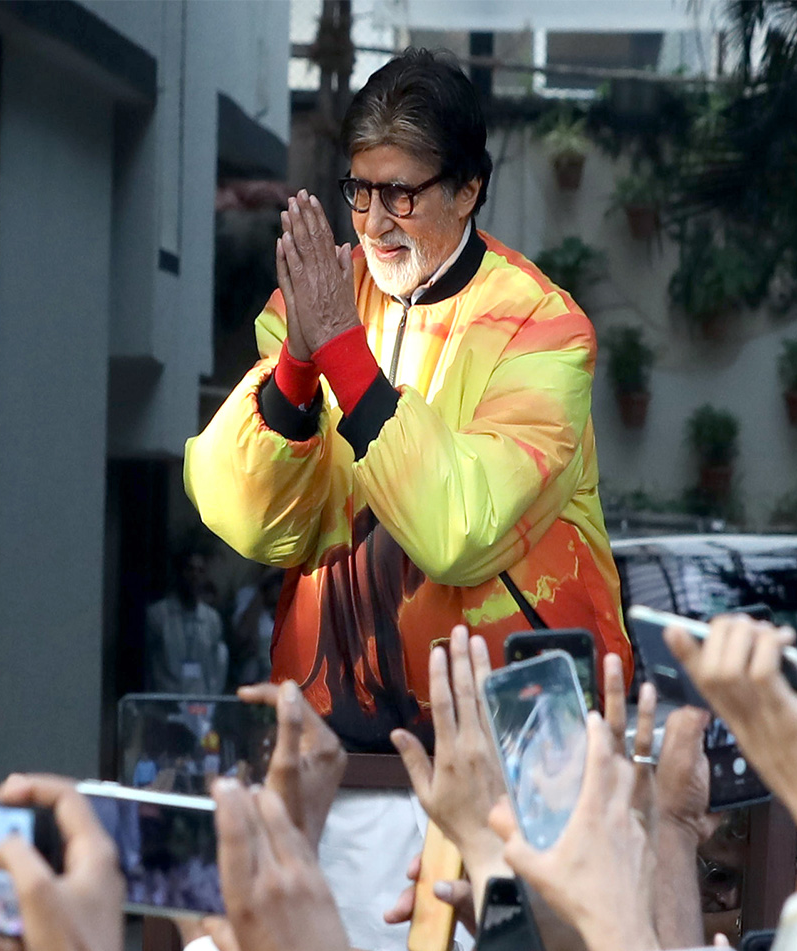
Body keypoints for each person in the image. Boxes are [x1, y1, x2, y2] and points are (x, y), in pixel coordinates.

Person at [184, 48, 631, 751]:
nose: (374, 223)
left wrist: (341, 352)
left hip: (510, 750)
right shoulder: (319, 298)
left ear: (467, 189)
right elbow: (245, 522)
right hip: (330, 741)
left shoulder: (545, 330)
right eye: (359, 191)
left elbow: (460, 533)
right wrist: (299, 366)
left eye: (401, 194)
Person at [145, 550, 228, 695]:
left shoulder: (212, 618)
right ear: (179, 573)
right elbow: (148, 664)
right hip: (166, 698)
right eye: (190, 570)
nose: (195, 576)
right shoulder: (157, 614)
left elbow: (217, 664)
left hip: (201, 699)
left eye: (200, 571)